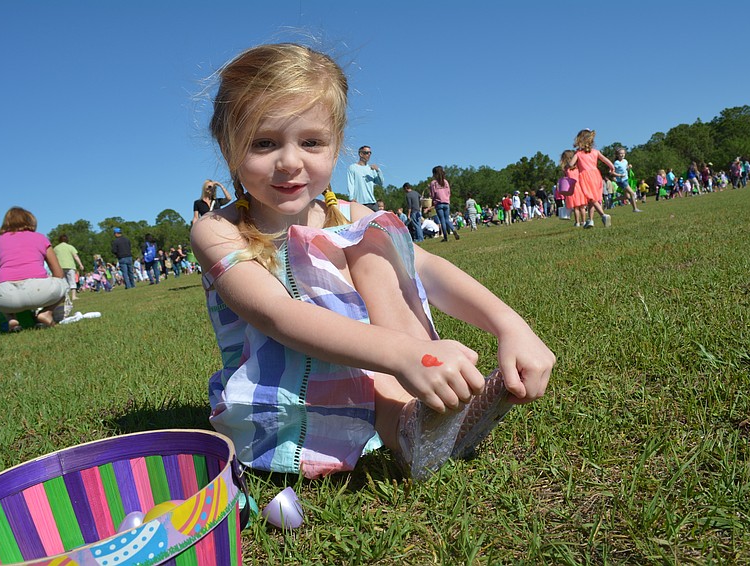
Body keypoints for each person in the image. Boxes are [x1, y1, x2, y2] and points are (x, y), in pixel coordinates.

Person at [191, 43, 554, 480]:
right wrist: (405, 354)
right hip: (291, 395)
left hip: (387, 368)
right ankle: (407, 428)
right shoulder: (218, 228)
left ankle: (415, 417)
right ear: (227, 146)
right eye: (263, 143)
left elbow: (429, 270)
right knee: (356, 257)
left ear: (336, 145)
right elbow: (278, 315)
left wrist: (511, 325)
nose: (289, 161)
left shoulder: (350, 216)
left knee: (374, 240)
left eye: (311, 142)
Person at [0, 207, 68, 330]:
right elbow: (58, 273)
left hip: (5, 297)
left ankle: (11, 318)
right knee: (64, 285)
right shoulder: (40, 237)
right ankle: (46, 313)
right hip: (38, 290)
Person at [568, 129, 614, 228]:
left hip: (585, 177)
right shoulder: (596, 152)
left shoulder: (578, 154)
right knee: (593, 199)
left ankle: (603, 215)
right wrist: (612, 167)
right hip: (596, 175)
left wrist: (570, 165)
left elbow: (571, 164)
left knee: (591, 198)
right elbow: (605, 159)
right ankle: (591, 220)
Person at [347, 145, 384, 211]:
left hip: (372, 203)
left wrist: (378, 170)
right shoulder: (352, 168)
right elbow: (351, 184)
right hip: (359, 203)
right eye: (367, 153)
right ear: (361, 154)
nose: (369, 154)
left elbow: (381, 183)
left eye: (370, 153)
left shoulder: (371, 169)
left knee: (377, 221)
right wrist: (351, 198)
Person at [429, 165, 460, 242]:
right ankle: (453, 229)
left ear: (435, 174)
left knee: (442, 220)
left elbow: (433, 195)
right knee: (447, 219)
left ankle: (445, 237)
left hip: (438, 203)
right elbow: (449, 192)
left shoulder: (433, 183)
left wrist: (432, 201)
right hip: (446, 202)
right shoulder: (445, 182)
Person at [53, 234, 85, 300]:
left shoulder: (55, 248)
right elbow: (75, 256)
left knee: (63, 282)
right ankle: (73, 296)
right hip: (70, 266)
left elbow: (53, 258)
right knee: (72, 281)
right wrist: (80, 264)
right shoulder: (70, 247)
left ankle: (65, 297)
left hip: (60, 267)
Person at [557, 150, 583, 227]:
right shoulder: (578, 166)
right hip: (579, 187)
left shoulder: (566, 168)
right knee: (582, 206)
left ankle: (577, 222)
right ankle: (584, 221)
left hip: (571, 187)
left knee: (575, 207)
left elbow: (565, 178)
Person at [612, 148, 642, 212]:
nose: (622, 155)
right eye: (621, 153)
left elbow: (625, 169)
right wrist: (619, 175)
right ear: (617, 155)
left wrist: (629, 167)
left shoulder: (625, 161)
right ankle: (635, 209)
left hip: (626, 179)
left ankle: (613, 200)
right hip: (621, 181)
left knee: (626, 196)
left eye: (623, 153)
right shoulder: (616, 163)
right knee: (632, 193)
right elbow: (612, 172)